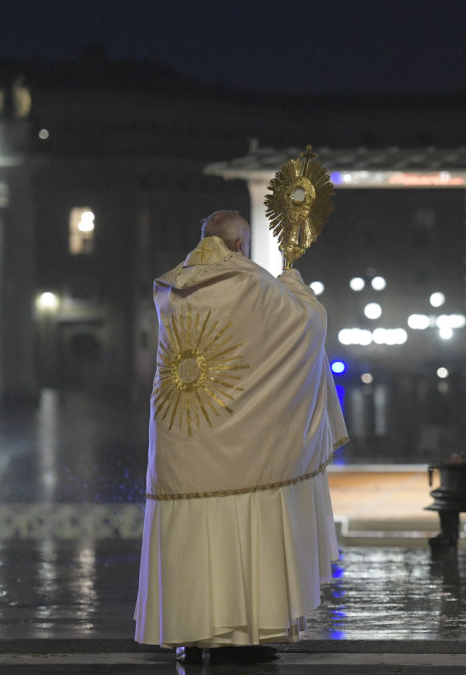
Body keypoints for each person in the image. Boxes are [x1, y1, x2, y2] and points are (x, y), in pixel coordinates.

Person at [134, 210, 347, 665]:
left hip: (180, 440)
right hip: (241, 447)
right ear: (238, 245)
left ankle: (189, 637)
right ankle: (241, 638)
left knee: (189, 539)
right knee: (242, 534)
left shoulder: (170, 288)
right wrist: (293, 280)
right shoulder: (250, 282)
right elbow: (304, 327)